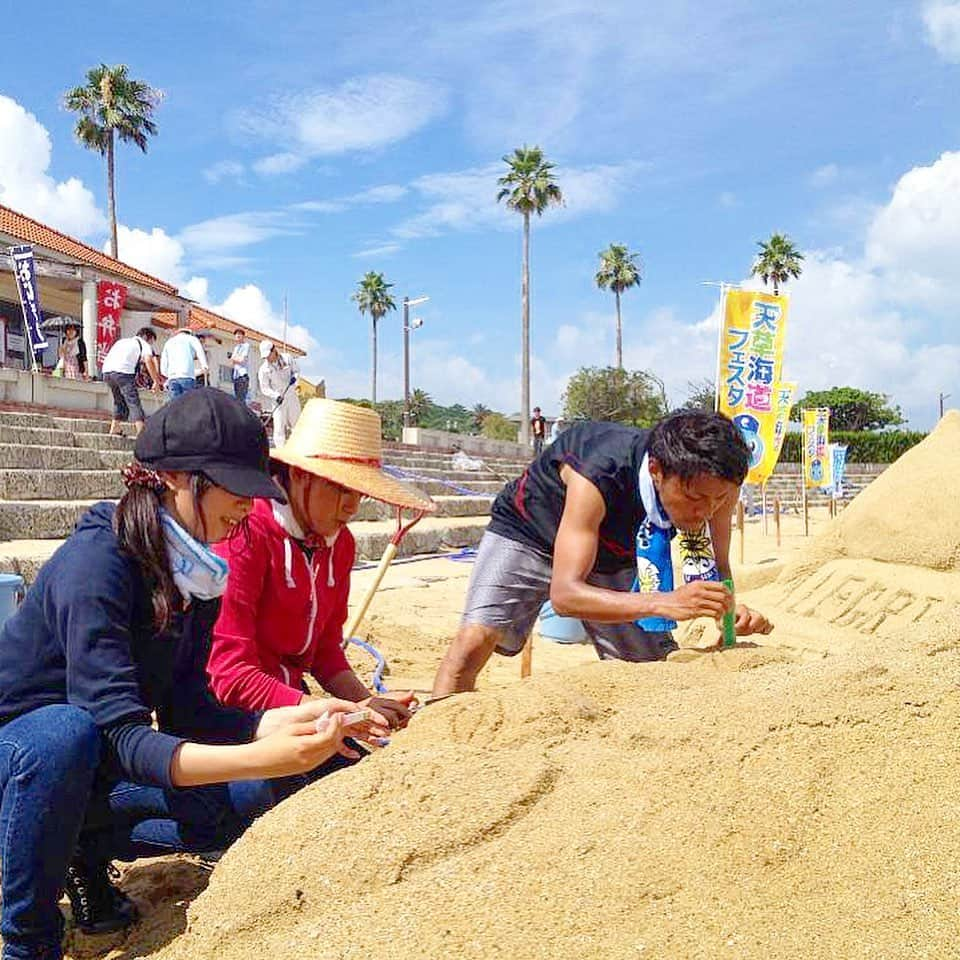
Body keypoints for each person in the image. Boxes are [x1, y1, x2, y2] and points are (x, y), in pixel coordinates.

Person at [0, 388, 388, 958]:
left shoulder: (192, 571)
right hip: (23, 765)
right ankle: (28, 940)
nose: (245, 507)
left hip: (91, 767)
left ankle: (79, 851)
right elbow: (117, 732)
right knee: (63, 735)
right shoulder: (97, 565)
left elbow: (193, 709)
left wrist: (282, 721)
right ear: (179, 478)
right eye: (234, 488)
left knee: (250, 796)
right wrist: (263, 752)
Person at [432, 410, 774, 696]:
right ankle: (432, 745)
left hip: (615, 550)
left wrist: (727, 615)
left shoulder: (716, 482)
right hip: (529, 530)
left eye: (719, 500)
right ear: (656, 471)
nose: (708, 511)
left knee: (655, 676)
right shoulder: (598, 472)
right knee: (473, 642)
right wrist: (662, 601)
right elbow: (565, 596)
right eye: (696, 500)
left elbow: (717, 563)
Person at [208, 398, 435, 727]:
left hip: (289, 700)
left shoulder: (340, 544)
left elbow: (325, 650)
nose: (351, 507)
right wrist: (331, 712)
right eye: (340, 489)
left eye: (360, 493)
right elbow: (230, 675)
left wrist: (364, 701)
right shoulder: (246, 533)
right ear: (300, 475)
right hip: (226, 714)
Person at [101, 327, 162, 436]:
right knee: (133, 402)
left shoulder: (122, 341)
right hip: (123, 372)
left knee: (118, 400)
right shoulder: (144, 344)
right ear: (148, 338)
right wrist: (156, 381)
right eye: (152, 342)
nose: (151, 345)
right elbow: (148, 360)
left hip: (107, 372)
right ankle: (141, 433)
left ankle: (115, 428)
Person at [258, 339, 301, 447]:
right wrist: (275, 396)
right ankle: (281, 452)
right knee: (279, 428)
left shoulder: (287, 358)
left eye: (269, 355)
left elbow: (296, 371)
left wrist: (294, 379)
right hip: (278, 400)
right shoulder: (263, 369)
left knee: (297, 425)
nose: (267, 358)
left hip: (291, 396)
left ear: (274, 350)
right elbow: (264, 388)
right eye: (265, 357)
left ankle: (299, 448)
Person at [161, 328, 208, 398]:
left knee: (175, 404)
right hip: (187, 376)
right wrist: (204, 366)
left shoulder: (169, 342)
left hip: (172, 378)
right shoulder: (192, 339)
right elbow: (200, 352)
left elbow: (164, 361)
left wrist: (166, 374)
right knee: (188, 404)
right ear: (189, 333)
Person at [229, 328, 251, 403]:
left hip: (242, 375)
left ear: (243, 336)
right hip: (236, 376)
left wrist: (234, 359)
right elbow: (232, 362)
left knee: (241, 399)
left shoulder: (246, 346)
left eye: (239, 334)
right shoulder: (236, 348)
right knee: (237, 399)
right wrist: (234, 359)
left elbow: (242, 360)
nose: (237, 336)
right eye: (236, 334)